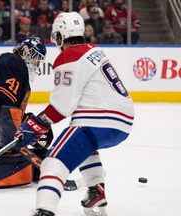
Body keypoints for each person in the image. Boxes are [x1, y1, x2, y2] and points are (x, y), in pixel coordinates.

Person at [14, 12, 135, 216]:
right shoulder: (94, 51)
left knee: (53, 162)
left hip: (98, 120)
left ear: (60, 36)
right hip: (123, 122)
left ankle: (45, 209)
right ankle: (96, 191)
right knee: (85, 145)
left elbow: (61, 107)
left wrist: (36, 124)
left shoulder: (69, 56)